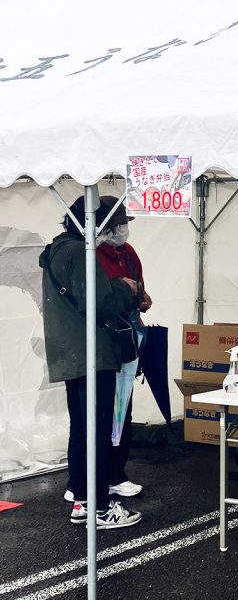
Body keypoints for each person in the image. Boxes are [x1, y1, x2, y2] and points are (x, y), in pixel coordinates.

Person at [40, 196, 142, 528]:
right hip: (92, 355)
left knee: (83, 430)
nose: (115, 232)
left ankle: (83, 501)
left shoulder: (58, 249)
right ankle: (99, 507)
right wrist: (125, 289)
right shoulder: (77, 253)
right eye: (111, 225)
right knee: (95, 432)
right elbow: (99, 302)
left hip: (73, 353)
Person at [93, 195, 152, 499]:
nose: (124, 229)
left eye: (125, 223)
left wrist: (142, 297)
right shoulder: (91, 254)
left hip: (128, 340)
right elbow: (101, 299)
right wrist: (124, 292)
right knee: (99, 414)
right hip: (102, 343)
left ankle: (116, 473)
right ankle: (94, 481)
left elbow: (141, 292)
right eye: (119, 224)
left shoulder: (128, 252)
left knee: (122, 411)